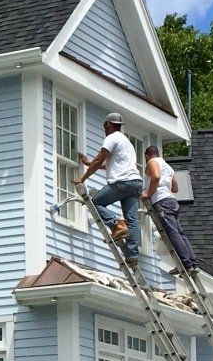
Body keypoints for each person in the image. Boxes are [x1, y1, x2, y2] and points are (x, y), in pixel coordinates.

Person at [76, 111, 143, 263]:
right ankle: (132, 255)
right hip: (135, 183)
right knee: (132, 220)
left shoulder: (111, 138)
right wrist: (88, 164)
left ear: (109, 124)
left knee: (94, 203)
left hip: (122, 182)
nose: (103, 129)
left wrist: (83, 178)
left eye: (104, 126)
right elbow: (110, 164)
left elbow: (100, 158)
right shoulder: (127, 142)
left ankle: (116, 224)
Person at [144, 144, 200, 273]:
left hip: (161, 201)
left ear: (147, 155)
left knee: (173, 233)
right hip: (172, 201)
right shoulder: (168, 167)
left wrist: (148, 193)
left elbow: (156, 176)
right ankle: (193, 263)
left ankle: (185, 264)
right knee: (180, 233)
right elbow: (175, 188)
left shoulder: (152, 161)